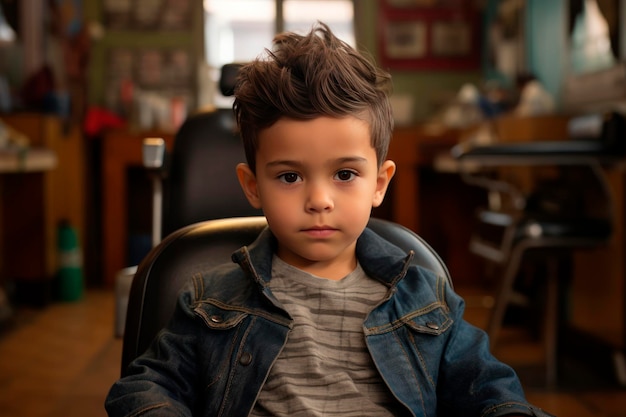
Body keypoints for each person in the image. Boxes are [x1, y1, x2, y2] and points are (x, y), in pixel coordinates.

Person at [105, 22, 554, 417]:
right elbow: (145, 388)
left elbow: (491, 392)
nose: (319, 200)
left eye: (344, 174)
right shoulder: (211, 303)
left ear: (379, 183)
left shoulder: (424, 302)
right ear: (252, 185)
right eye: (289, 176)